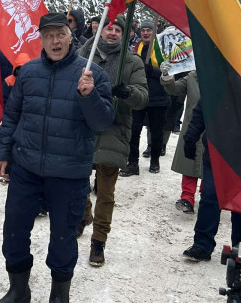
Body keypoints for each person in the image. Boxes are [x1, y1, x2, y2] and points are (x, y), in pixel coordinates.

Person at [0, 13, 115, 303]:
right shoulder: (28, 72)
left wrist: (89, 95)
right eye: (48, 36)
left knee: (63, 238)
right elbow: (12, 116)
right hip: (26, 168)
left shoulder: (92, 75)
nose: (55, 41)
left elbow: (103, 122)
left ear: (70, 37)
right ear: (41, 40)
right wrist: (2, 152)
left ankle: (59, 295)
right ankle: (18, 290)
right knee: (14, 231)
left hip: (68, 173)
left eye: (60, 34)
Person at [77, 15, 148, 267]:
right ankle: (83, 215)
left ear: (125, 34)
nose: (113, 32)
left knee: (106, 192)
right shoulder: (84, 54)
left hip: (113, 129)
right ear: (100, 30)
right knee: (78, 182)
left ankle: (98, 241)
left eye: (118, 29)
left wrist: (128, 92)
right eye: (109, 28)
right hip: (83, 126)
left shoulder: (132, 61)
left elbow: (142, 98)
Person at [181, 101, 241, 261]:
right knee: (210, 198)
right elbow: (204, 107)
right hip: (218, 150)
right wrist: (191, 136)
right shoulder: (218, 86)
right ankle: (202, 245)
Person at [120, 21, 169, 176]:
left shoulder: (162, 48)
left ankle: (155, 161)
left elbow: (170, 72)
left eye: (149, 30)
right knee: (134, 131)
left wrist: (152, 71)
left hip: (158, 97)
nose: (146, 33)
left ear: (154, 32)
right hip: (138, 96)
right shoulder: (135, 48)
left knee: (156, 132)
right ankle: (132, 163)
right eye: (143, 30)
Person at [160, 64, 202, 214]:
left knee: (211, 166)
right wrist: (167, 75)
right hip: (193, 127)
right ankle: (187, 197)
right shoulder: (193, 76)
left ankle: (208, 197)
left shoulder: (225, 77)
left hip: (216, 129)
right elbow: (174, 89)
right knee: (189, 162)